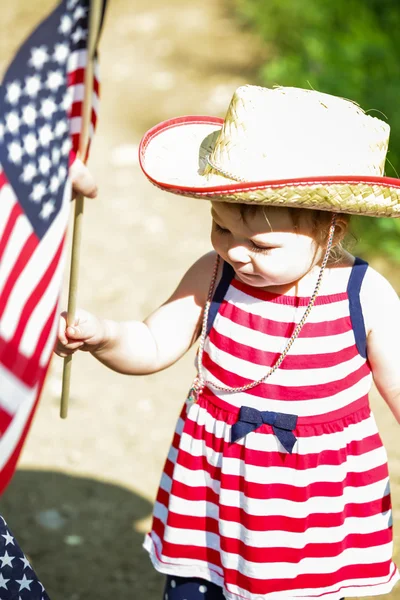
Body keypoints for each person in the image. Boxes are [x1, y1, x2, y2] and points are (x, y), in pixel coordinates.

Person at [55, 85, 400, 600]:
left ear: (333, 227)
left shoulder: (363, 294)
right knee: (200, 588)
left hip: (310, 503)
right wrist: (103, 337)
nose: (237, 253)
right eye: (220, 228)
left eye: (261, 244)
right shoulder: (213, 273)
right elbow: (153, 344)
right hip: (215, 492)